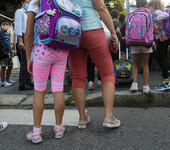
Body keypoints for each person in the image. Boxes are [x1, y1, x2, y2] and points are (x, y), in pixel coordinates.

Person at [69, 0, 121, 129]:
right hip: (92, 29)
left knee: (78, 77)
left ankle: (82, 118)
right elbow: (101, 8)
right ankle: (109, 117)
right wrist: (113, 33)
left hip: (72, 32)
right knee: (107, 73)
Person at [25, 0, 68, 143]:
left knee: (39, 91)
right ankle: (59, 128)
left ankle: (36, 132)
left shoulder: (35, 3)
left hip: (42, 51)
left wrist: (28, 57)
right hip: (62, 51)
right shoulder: (64, 1)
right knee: (58, 89)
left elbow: (29, 34)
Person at [129, 0, 153, 93]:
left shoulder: (131, 14)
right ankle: (145, 86)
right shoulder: (149, 14)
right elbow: (151, 28)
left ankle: (134, 84)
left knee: (135, 64)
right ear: (146, 5)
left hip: (134, 41)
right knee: (145, 64)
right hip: (146, 41)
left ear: (136, 5)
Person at [148, 0, 170, 92]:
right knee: (162, 59)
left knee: (161, 59)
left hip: (162, 40)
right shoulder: (159, 12)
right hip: (164, 39)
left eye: (150, 6)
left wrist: (155, 20)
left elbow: (166, 15)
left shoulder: (157, 12)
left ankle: (167, 83)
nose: (150, 8)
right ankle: (166, 81)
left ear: (153, 5)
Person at [14, 0, 33, 90]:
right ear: (22, 3)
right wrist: (20, 40)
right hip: (23, 37)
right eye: (27, 1)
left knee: (30, 60)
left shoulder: (29, 13)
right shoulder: (19, 12)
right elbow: (18, 26)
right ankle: (22, 84)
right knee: (24, 61)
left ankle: (28, 81)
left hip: (29, 38)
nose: (29, 3)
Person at [0, 19, 14, 87]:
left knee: (10, 65)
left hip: (8, 53)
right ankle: (2, 81)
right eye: (4, 24)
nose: (5, 26)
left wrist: (11, 52)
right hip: (3, 53)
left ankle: (7, 79)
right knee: (3, 66)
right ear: (1, 26)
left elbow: (9, 44)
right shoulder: (0, 34)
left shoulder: (8, 34)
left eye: (7, 24)